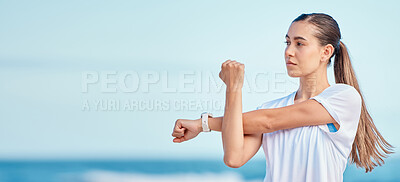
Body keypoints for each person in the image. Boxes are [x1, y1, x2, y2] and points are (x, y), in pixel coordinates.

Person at [171, 13, 393, 182]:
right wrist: (233, 88)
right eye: (287, 42)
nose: (288, 51)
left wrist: (204, 124)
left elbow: (270, 121)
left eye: (300, 43)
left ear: (326, 52)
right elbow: (234, 158)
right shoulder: (270, 107)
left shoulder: (343, 98)